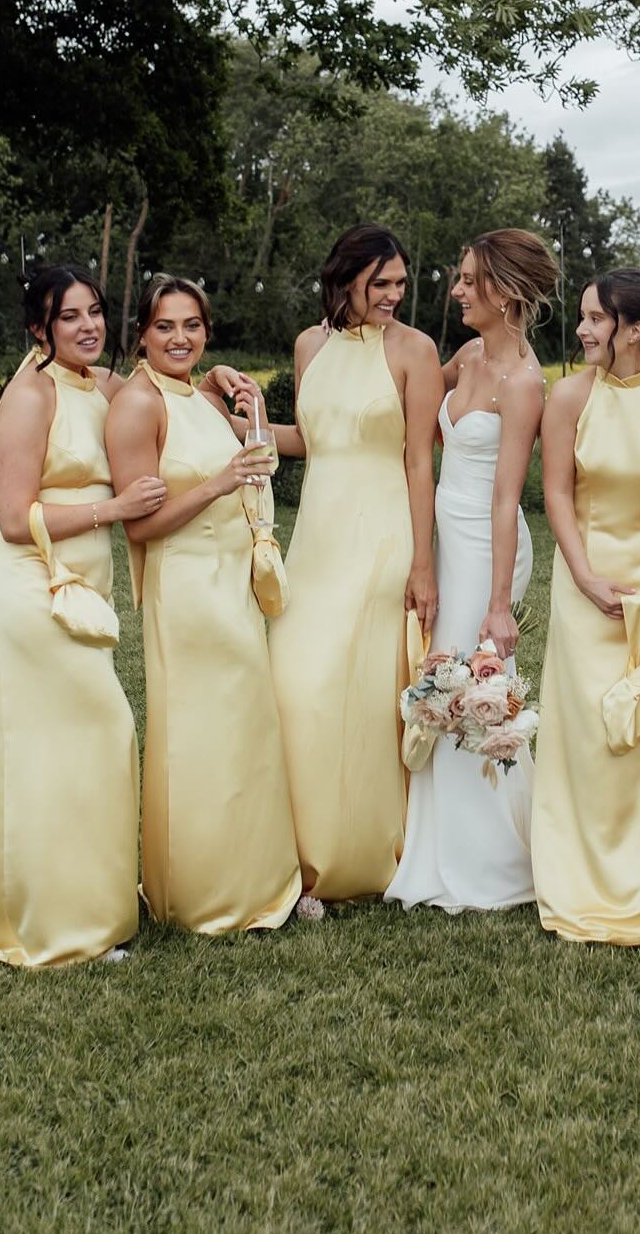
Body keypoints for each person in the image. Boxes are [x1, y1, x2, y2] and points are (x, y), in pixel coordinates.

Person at [0, 265, 161, 966]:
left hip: (82, 587)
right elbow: (12, 518)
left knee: (76, 746)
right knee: (84, 735)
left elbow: (152, 399)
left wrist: (214, 384)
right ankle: (54, 923)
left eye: (94, 312)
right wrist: (112, 510)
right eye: (69, 317)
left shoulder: (99, 385)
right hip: (30, 588)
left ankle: (63, 902)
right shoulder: (30, 396)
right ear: (39, 329)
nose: (88, 326)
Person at [105, 275, 301, 935]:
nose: (180, 338)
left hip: (231, 581)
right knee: (198, 736)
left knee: (244, 729)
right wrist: (220, 483)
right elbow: (139, 526)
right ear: (140, 333)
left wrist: (242, 404)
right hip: (186, 586)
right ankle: (197, 892)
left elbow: (252, 460)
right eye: (165, 326)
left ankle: (251, 880)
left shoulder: (196, 394)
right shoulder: (138, 405)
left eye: (192, 326)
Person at [532, 267, 640, 944]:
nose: (581, 330)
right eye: (581, 316)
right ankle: (578, 878)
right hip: (588, 584)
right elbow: (555, 492)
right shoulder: (567, 398)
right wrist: (581, 574)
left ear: (633, 331)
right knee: (585, 734)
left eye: (595, 319)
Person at [263, 224, 441, 908]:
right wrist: (236, 419)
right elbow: (308, 439)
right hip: (316, 534)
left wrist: (422, 564)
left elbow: (420, 461)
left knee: (353, 690)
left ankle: (357, 859)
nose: (394, 295)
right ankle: (301, 852)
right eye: (381, 284)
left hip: (380, 532)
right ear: (346, 282)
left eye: (400, 283)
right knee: (297, 685)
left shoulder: (414, 351)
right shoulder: (311, 344)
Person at [387, 228, 558, 914]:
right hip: (448, 532)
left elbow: (507, 497)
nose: (455, 290)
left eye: (467, 280)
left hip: (490, 548)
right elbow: (421, 428)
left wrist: (497, 606)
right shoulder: (464, 355)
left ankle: (494, 864)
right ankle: (437, 849)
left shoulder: (524, 383)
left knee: (473, 689)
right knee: (443, 685)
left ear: (505, 291)